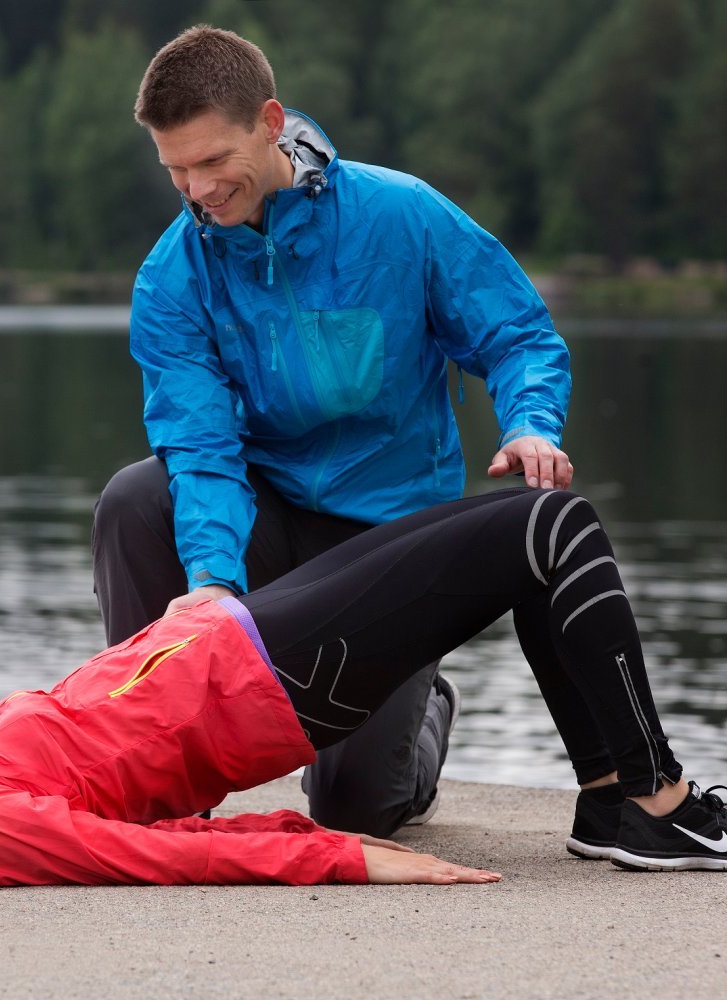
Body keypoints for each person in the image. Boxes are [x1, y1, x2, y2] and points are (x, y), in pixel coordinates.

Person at [0, 488, 727, 887]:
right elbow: (155, 854)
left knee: (536, 536)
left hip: (243, 642)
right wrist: (351, 856)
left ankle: (619, 796)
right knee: (554, 530)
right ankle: (650, 802)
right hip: (272, 678)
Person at [94, 24, 575, 838]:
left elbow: (518, 335)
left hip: (388, 537)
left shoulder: (403, 215)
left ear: (270, 122)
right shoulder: (173, 275)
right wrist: (212, 578)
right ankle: (160, 764)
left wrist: (530, 424)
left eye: (213, 162)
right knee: (137, 498)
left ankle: (423, 703)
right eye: (175, 169)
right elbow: (199, 444)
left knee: (356, 811)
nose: (197, 189)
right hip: (270, 521)